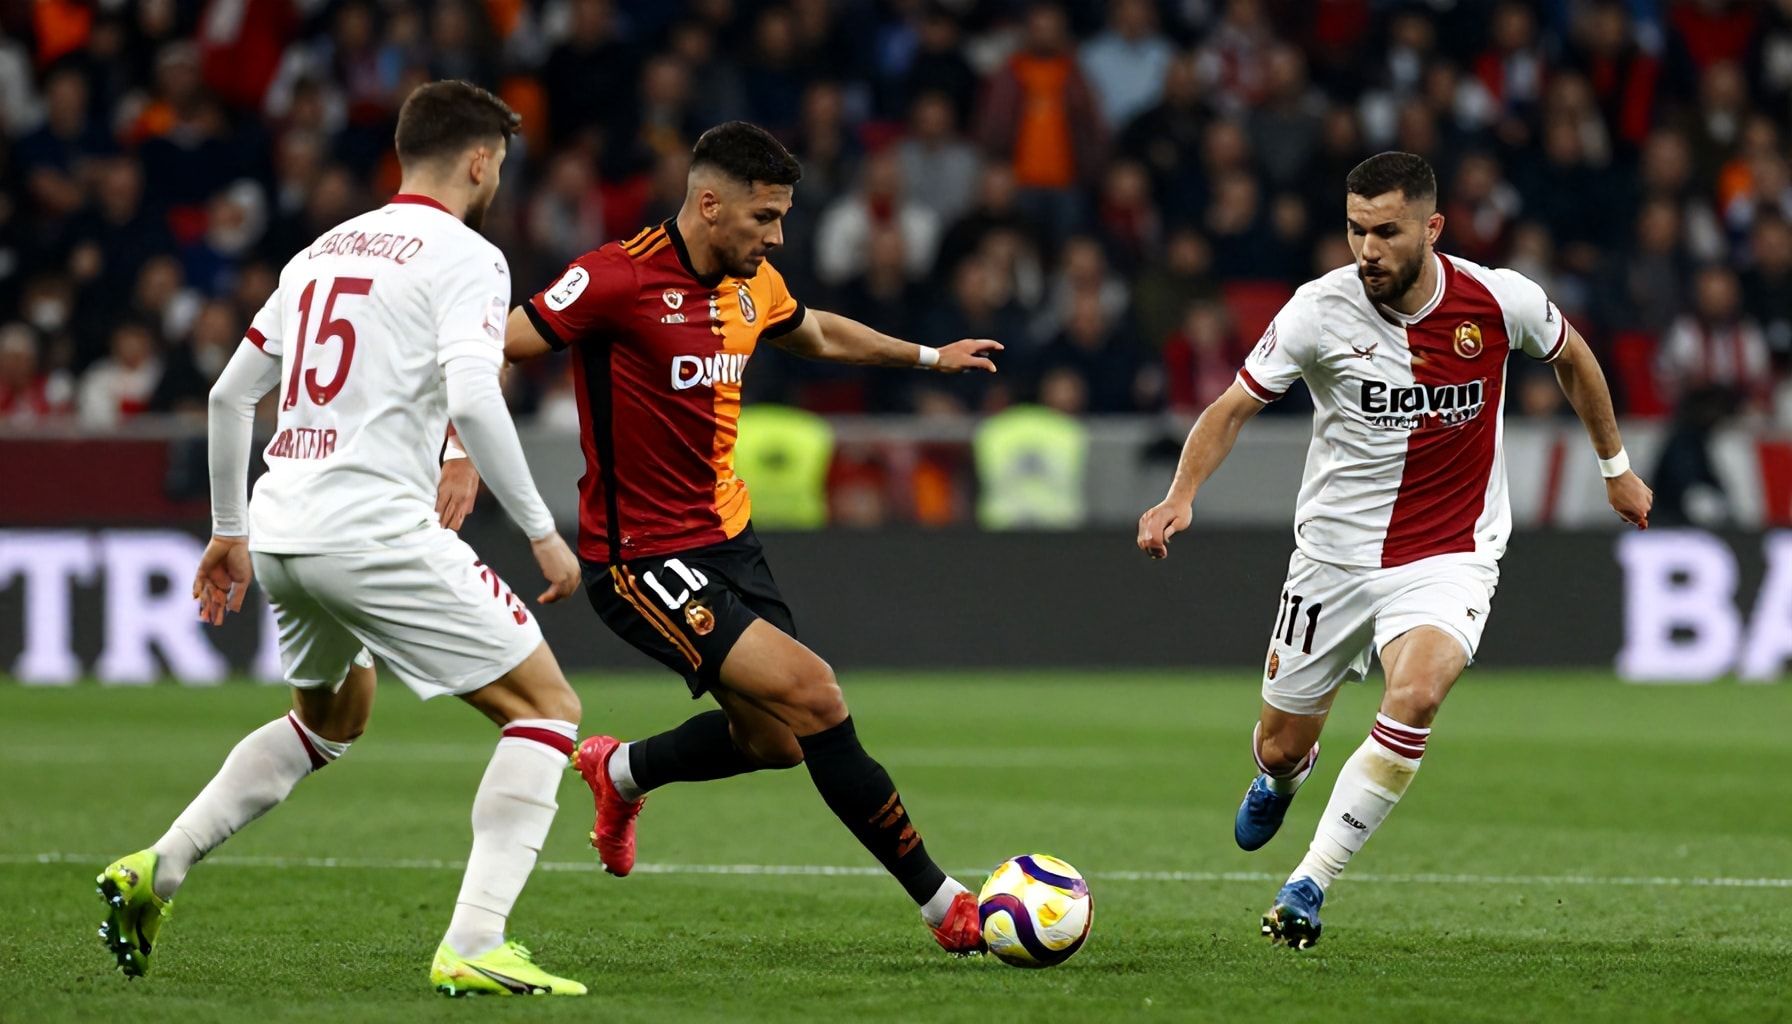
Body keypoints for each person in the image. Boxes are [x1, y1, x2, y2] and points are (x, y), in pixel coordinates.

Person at [95, 81, 591, 997]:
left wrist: (229, 531)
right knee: (547, 708)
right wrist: (540, 529)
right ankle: (477, 939)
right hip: (374, 530)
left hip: (285, 528)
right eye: (499, 166)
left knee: (331, 720)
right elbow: (476, 392)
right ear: (480, 160)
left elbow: (228, 396)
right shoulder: (471, 256)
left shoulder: (320, 252)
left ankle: (159, 865)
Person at [500, 122, 1002, 954]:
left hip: (729, 540)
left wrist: (928, 357)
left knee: (777, 741)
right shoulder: (615, 277)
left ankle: (620, 770)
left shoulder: (753, 284)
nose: (777, 238)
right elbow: (493, 349)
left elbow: (817, 332)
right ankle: (944, 904)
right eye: (765, 217)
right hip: (640, 558)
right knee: (817, 696)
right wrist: (457, 452)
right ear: (709, 205)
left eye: (782, 218)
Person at [1136, 152, 1653, 949]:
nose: (1367, 249)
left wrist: (1615, 468)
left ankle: (1309, 883)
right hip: (1334, 561)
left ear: (1432, 227)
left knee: (1415, 695)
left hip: (1450, 553)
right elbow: (1232, 406)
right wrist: (1181, 494)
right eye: (1355, 231)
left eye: (1386, 232)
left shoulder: (1498, 299)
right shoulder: (1318, 311)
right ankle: (1283, 776)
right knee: (1279, 743)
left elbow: (1573, 357)